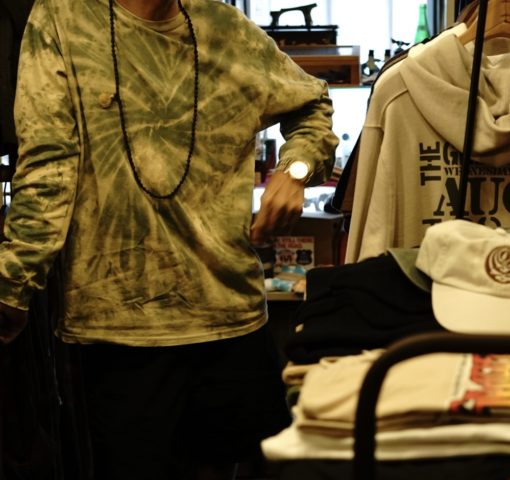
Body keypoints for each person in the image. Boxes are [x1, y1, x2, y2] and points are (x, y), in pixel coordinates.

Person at [0, 0, 338, 478]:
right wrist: (15, 281)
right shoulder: (64, 18)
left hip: (231, 319)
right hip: (119, 327)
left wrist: (296, 169)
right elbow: (48, 166)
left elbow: (313, 103)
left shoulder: (225, 28)